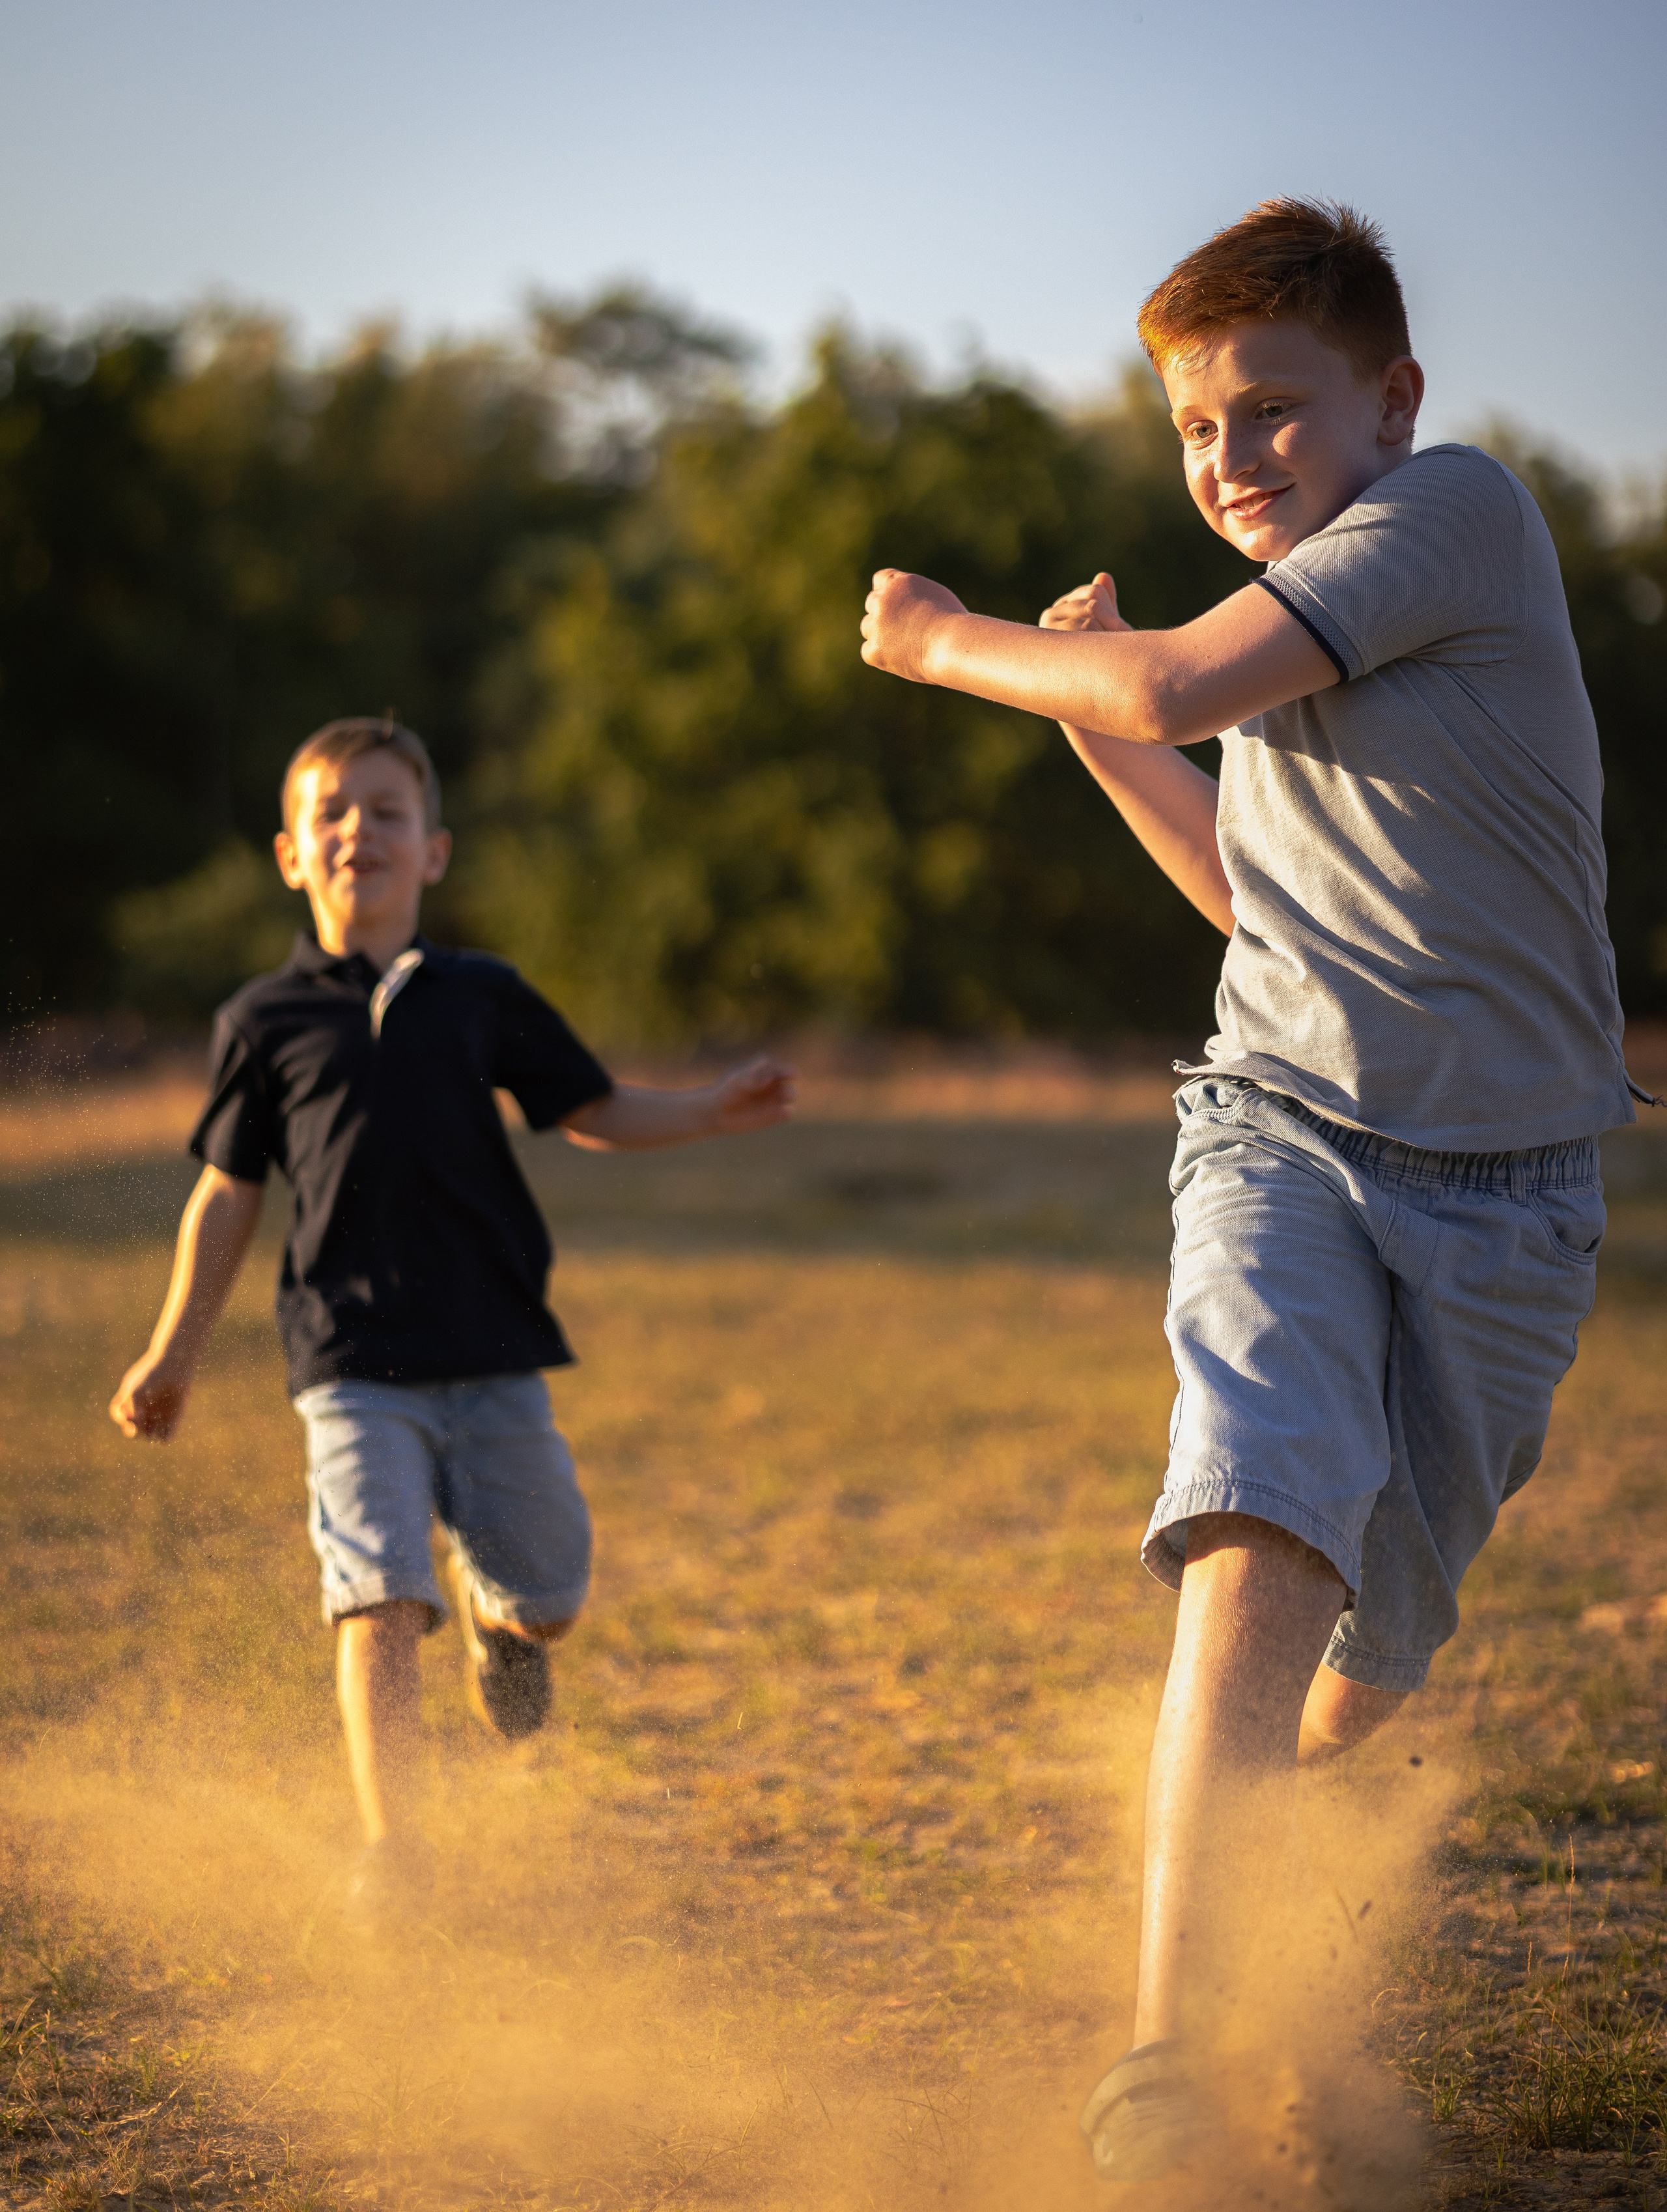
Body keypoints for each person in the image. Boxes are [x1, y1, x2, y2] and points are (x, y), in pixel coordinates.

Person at [860, 198, 1653, 2183]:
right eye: (1199, 431)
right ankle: (1166, 2067)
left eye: (1274, 411)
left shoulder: (1457, 519)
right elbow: (1246, 885)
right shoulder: (1269, 632)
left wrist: (966, 647)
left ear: (1390, 399)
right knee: (1261, 1532)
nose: (1232, 460)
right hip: (1278, 1127)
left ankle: (1276, 1928)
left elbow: (1163, 691)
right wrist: (1093, 688)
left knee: (1361, 1679)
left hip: (1510, 1199)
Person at [109, 716, 794, 1919]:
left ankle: (506, 1621)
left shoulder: (480, 994)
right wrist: (174, 1352)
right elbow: (227, 1193)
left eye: (386, 811)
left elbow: (589, 1107)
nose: (358, 830)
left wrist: (708, 1109)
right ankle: (398, 1858)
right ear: (289, 853)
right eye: (332, 812)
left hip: (492, 1353)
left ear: (433, 851)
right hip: (348, 1363)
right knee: (376, 1595)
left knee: (555, 1591)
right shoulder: (263, 1022)